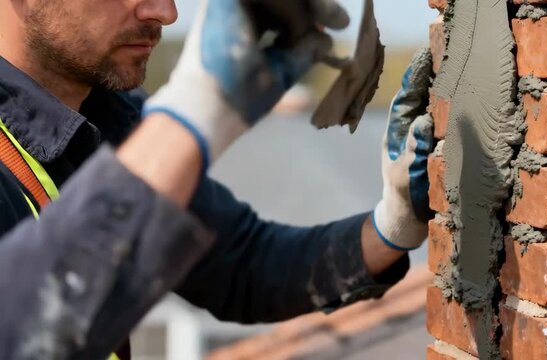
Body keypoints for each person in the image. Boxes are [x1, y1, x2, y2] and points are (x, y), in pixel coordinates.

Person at [0, 0, 434, 358]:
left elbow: (243, 263)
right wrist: (190, 118)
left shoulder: (108, 118)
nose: (165, 13)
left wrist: (392, 225)